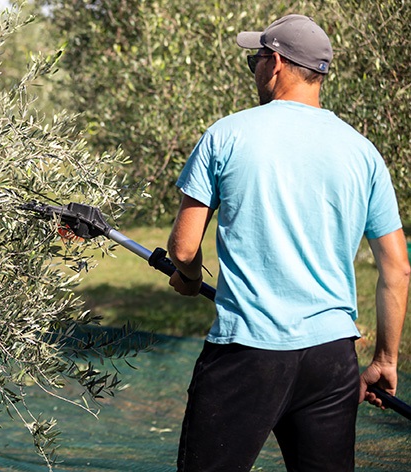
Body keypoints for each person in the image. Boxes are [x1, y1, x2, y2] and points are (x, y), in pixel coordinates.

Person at [166, 14, 410, 472]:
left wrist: (189, 276)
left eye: (255, 58)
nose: (255, 69)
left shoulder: (227, 134)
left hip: (248, 354)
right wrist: (385, 360)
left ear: (275, 62)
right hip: (332, 358)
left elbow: (183, 249)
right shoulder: (363, 151)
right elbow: (397, 268)